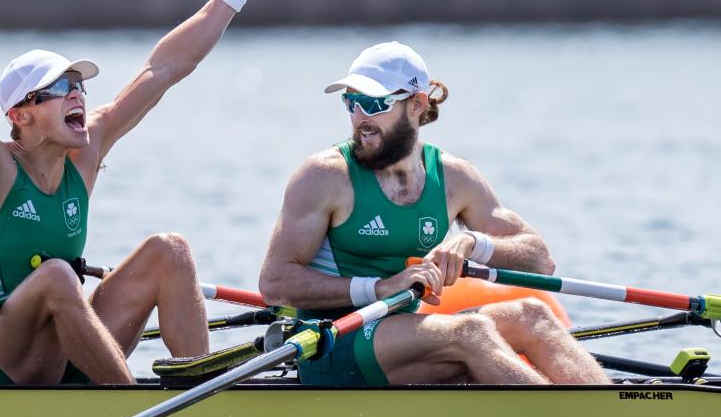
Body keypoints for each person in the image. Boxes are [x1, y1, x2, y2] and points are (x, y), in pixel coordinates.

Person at [0, 0, 273, 385]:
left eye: (78, 84)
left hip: (61, 352)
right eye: (59, 88)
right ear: (20, 114)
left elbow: (164, 68)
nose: (76, 93)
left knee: (169, 251)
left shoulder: (85, 154)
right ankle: (130, 403)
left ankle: (200, 397)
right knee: (57, 275)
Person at [259, 41, 609, 386]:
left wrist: (474, 244)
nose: (360, 118)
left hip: (401, 338)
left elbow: (540, 261)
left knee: (533, 316)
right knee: (471, 332)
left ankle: (612, 415)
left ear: (417, 104)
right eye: (351, 102)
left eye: (374, 103)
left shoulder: (454, 177)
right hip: (332, 344)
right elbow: (274, 284)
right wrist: (379, 288)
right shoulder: (325, 176)